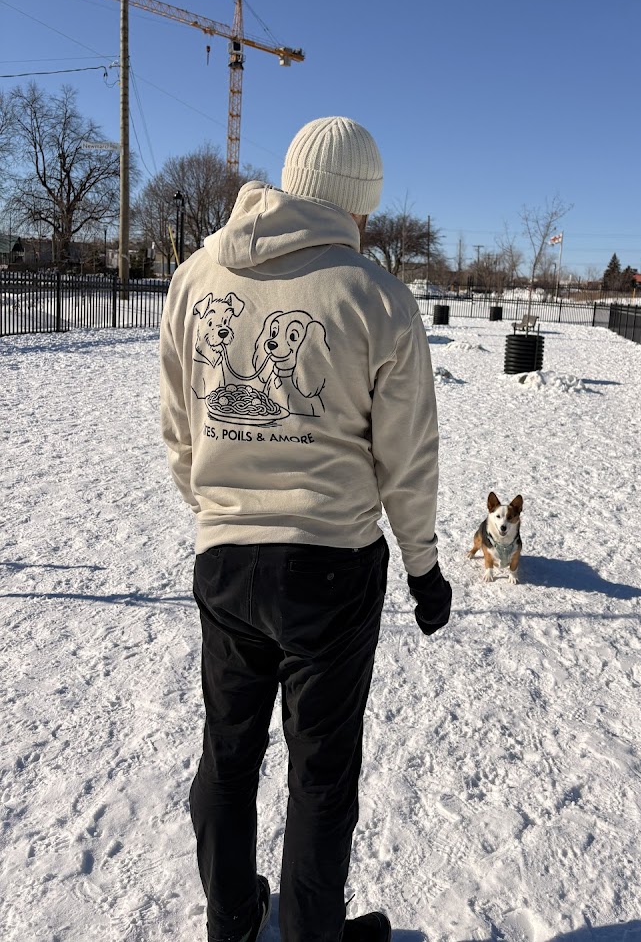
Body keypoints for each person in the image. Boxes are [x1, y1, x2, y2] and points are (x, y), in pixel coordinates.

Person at [159, 116, 451, 942]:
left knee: (228, 754)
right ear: (360, 204)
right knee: (321, 775)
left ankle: (233, 918)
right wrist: (425, 569)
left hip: (224, 559)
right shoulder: (377, 297)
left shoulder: (194, 276)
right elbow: (408, 458)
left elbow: (181, 433)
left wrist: (222, 512)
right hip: (332, 568)